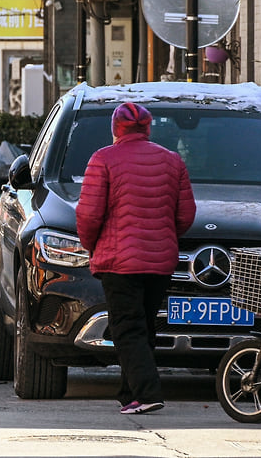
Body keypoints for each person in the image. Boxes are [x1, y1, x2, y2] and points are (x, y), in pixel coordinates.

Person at [76, 102, 196, 415]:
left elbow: (88, 215)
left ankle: (147, 394)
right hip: (159, 262)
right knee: (144, 327)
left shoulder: (103, 159)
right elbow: (185, 216)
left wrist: (92, 246)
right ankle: (128, 392)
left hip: (119, 261)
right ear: (147, 127)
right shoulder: (172, 161)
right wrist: (161, 236)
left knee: (126, 329)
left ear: (115, 129)